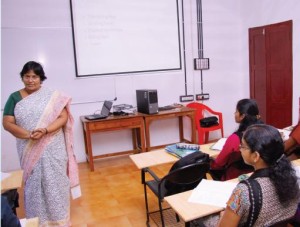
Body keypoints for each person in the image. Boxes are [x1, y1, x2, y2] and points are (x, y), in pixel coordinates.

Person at [2, 61, 80, 226]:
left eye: (34, 77)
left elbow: (63, 117)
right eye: (27, 76)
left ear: (41, 78)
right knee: (34, 186)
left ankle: (60, 221)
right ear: (22, 77)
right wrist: (29, 134)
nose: (30, 80)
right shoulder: (14, 97)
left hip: (54, 149)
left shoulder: (53, 96)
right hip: (29, 148)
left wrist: (45, 130)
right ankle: (38, 222)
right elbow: (7, 123)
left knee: (56, 183)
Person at [195, 124, 300, 227]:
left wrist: (223, 215)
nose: (239, 148)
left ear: (255, 156)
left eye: (243, 146)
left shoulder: (243, 192)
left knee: (200, 217)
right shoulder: (293, 180)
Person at [209, 99, 263, 180]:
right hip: (257, 174)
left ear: (242, 116)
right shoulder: (264, 132)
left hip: (235, 177)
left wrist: (211, 162)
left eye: (236, 111)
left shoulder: (235, 138)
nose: (234, 114)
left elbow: (219, 163)